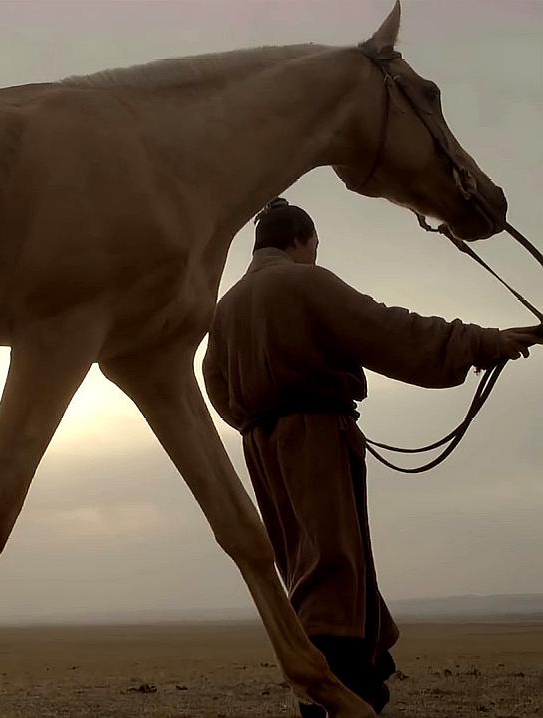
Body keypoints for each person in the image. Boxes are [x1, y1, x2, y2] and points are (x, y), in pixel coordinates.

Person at [202, 197, 539, 717]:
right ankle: (337, 693)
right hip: (314, 437)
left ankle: (346, 678)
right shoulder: (302, 282)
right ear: (300, 240)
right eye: (314, 245)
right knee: (331, 569)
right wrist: (483, 342)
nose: (315, 254)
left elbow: (216, 386)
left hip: (263, 449)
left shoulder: (224, 309)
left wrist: (261, 421)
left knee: (310, 563)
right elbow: (389, 330)